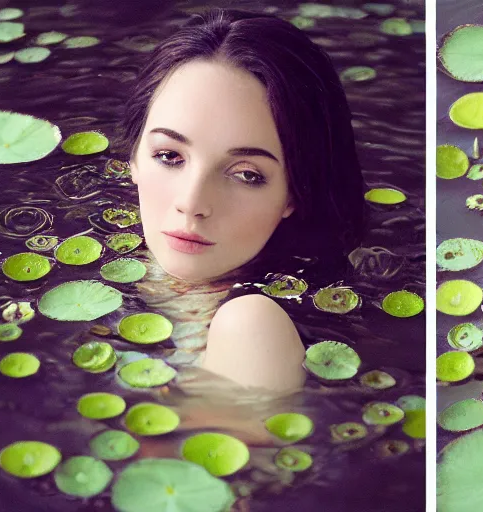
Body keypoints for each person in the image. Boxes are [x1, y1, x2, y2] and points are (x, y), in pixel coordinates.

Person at [118, 8, 365, 394]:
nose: (192, 202)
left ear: (294, 194)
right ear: (132, 158)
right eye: (169, 156)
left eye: (247, 174)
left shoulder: (250, 326)